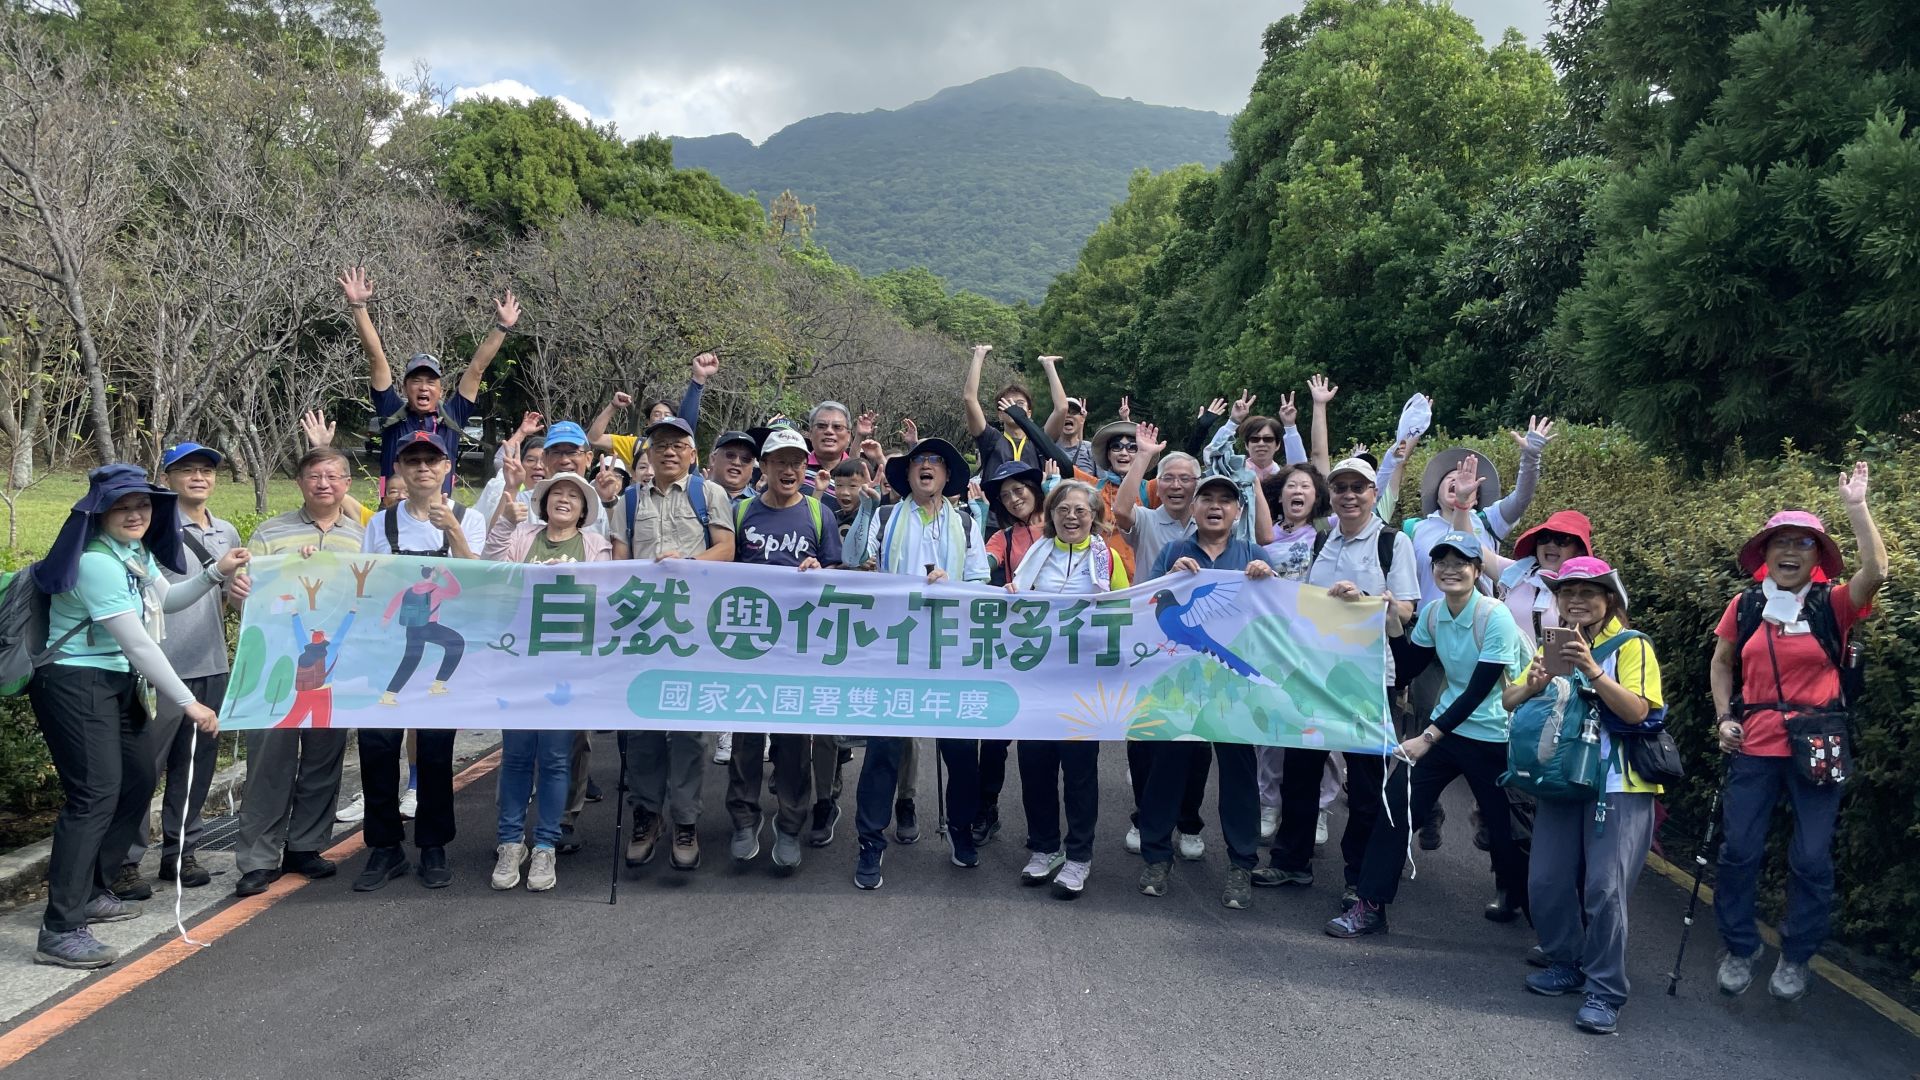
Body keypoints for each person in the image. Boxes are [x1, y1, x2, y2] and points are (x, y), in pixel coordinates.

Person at [28, 465, 246, 968]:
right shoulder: (97, 564)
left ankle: (94, 890)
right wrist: (188, 702)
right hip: (75, 682)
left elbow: (165, 601)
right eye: (123, 506)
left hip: (116, 683)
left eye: (143, 505)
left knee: (136, 779)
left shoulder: (133, 553)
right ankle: (60, 927)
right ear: (99, 512)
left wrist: (215, 572)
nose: (135, 513)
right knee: (93, 796)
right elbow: (139, 643)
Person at [1710, 464, 1886, 1003]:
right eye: (1780, 542)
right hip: (1755, 743)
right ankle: (1741, 946)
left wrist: (1856, 507)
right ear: (1765, 554)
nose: (1790, 551)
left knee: (1811, 856)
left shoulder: (1832, 603)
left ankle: (1796, 955)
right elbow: (1721, 663)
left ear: (1817, 556)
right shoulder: (1745, 605)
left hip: (1819, 743)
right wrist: (1723, 718)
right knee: (1738, 849)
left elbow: (1876, 570)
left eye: (1803, 543)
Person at [1326, 530, 1531, 939]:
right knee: (1396, 807)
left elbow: (1478, 691)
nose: (1450, 569)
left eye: (1461, 562)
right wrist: (1392, 627)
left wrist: (1428, 736)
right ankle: (1370, 906)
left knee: (1505, 832)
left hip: (1493, 734)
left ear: (1477, 570)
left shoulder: (1495, 616)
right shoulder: (1436, 613)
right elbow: (1405, 669)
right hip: (1447, 730)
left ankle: (1533, 913)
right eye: (1442, 562)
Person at [1503, 557, 1662, 1034]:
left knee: (1604, 889)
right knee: (1546, 880)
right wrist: (1532, 684)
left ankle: (1605, 988)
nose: (1576, 599)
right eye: (1566, 591)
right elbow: (1508, 700)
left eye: (1589, 592)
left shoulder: (1633, 647)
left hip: (1617, 782)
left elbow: (1637, 712)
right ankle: (1566, 961)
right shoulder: (1552, 646)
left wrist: (1593, 670)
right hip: (1561, 777)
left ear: (1609, 600)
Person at [1261, 457, 1417, 902]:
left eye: (1359, 488)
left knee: (1366, 781)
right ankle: (1291, 862)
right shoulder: (1322, 541)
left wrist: (1367, 600)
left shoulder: (1392, 542)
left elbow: (1406, 610)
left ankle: (1359, 877)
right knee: (1300, 771)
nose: (1349, 495)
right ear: (1331, 495)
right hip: (1316, 673)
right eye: (1341, 487)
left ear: (1373, 493)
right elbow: (1304, 600)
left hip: (1367, 679)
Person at [850, 436, 989, 890]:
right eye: (918, 462)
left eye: (936, 462)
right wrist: (867, 536)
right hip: (893, 649)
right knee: (884, 750)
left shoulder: (967, 524)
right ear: (907, 474)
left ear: (948, 476)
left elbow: (981, 586)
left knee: (961, 752)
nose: (926, 467)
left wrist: (953, 586)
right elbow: (856, 562)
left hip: (950, 651)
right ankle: (871, 841)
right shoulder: (886, 517)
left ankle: (962, 831)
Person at [231, 447, 367, 898]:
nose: (323, 484)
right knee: (269, 762)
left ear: (347, 485)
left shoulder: (365, 538)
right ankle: (257, 858)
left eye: (333, 476)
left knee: (324, 759)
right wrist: (242, 588)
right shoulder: (270, 534)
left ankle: (306, 846)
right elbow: (245, 598)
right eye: (314, 476)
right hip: (277, 666)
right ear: (301, 483)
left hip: (337, 668)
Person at [1136, 474, 1275, 910]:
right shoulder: (1175, 551)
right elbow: (1143, 604)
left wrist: (1266, 579)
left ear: (1238, 512)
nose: (1216, 507)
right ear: (1193, 509)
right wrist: (1168, 580)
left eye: (1225, 501)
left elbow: (1276, 614)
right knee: (1167, 768)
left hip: (1232, 690)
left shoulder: (1252, 553)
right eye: (1207, 499)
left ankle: (1241, 865)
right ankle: (1157, 856)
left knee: (1238, 775)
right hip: (1180, 682)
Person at [354, 433, 484, 894]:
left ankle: (433, 844)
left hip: (443, 640)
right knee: (378, 746)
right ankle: (384, 846)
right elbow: (368, 581)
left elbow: (481, 582)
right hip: (389, 646)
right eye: (413, 460)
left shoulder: (470, 517)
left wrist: (454, 533)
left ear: (447, 466)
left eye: (431, 459)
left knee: (433, 750)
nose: (423, 468)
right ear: (399, 470)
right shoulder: (381, 523)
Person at [114, 442, 245, 898]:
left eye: (206, 471)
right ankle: (124, 860)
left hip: (211, 662)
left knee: (195, 768)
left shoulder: (226, 531)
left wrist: (241, 594)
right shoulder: (150, 528)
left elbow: (227, 597)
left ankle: (181, 851)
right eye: (186, 470)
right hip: (159, 668)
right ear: (167, 477)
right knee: (143, 770)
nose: (198, 478)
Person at [612, 415, 737, 872]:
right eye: (660, 443)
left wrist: (686, 562)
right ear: (647, 453)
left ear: (692, 454)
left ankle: (686, 820)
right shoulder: (627, 501)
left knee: (687, 729)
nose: (669, 450)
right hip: (642, 629)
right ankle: (647, 814)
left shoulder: (710, 494)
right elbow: (619, 565)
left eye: (678, 444)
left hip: (693, 630)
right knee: (642, 727)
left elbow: (726, 549)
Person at [482, 472, 610, 893]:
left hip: (566, 667)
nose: (565, 500)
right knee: (517, 755)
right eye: (558, 493)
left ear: (584, 509)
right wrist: (504, 520)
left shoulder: (594, 546)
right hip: (518, 661)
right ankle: (509, 841)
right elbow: (490, 567)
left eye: (575, 495)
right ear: (544, 500)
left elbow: (608, 595)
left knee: (556, 757)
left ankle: (546, 845)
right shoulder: (523, 536)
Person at [725, 429, 842, 872]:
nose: (789, 470)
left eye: (796, 462)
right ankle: (742, 819)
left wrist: (819, 569)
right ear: (764, 467)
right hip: (748, 646)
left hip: (800, 647)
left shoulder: (818, 513)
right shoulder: (742, 514)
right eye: (779, 462)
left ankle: (790, 825)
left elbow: (836, 575)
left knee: (794, 742)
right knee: (746, 739)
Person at [1007, 481, 1129, 898]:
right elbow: (1014, 611)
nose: (1071, 516)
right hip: (1037, 685)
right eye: (1063, 509)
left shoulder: (1107, 558)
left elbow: (1124, 613)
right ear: (1051, 514)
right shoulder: (1033, 560)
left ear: (1095, 516)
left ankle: (1078, 856)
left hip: (1083, 688)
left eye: (1081, 509)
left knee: (1079, 774)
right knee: (1035, 768)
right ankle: (1044, 847)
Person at [1111, 425, 1210, 859]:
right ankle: (1146, 818)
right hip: (1149, 642)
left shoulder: (1211, 523)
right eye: (1168, 477)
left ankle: (1189, 822)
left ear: (1198, 485)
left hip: (1199, 647)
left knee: (1196, 737)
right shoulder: (1149, 520)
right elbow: (1120, 507)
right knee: (1146, 735)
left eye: (1185, 478)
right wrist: (1144, 456)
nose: (1175, 485)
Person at [339, 266, 517, 495]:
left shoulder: (452, 416)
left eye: (431, 381)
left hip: (438, 517)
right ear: (404, 387)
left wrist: (502, 327)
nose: (423, 387)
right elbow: (376, 357)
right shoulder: (391, 412)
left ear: (441, 390)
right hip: (393, 515)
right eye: (416, 381)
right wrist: (358, 306)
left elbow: (476, 369)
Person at [974, 460, 1049, 845]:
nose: (1013, 498)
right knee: (996, 735)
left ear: (1036, 489)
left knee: (1049, 742)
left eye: (1019, 489)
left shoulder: (1063, 528)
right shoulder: (1002, 539)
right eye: (1005, 495)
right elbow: (982, 566)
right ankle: (986, 806)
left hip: (1057, 654)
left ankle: (1047, 830)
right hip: (1013, 651)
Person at [586, 352, 717, 469]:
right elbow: (594, 439)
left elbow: (686, 423)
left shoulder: (685, 446)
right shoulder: (636, 445)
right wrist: (613, 406)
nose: (662, 418)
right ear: (648, 422)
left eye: (667, 415)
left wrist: (698, 380)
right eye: (657, 414)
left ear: (692, 455)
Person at [962, 344, 1041, 485]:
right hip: (996, 505)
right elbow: (969, 398)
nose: (1012, 407)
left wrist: (1049, 366)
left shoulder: (1038, 442)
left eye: (1019, 403)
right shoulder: (991, 439)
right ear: (1000, 414)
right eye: (1007, 403)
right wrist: (979, 356)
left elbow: (1061, 409)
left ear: (1029, 413)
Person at [1033, 355, 1095, 476]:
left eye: (1073, 413)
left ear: (1082, 418)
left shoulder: (1090, 449)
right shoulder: (1048, 447)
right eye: (1065, 414)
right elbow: (1060, 409)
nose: (1068, 416)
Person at [707, 429, 760, 506]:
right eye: (730, 455)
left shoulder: (762, 505)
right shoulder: (694, 494)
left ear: (753, 468)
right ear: (713, 459)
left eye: (746, 459)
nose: (736, 463)